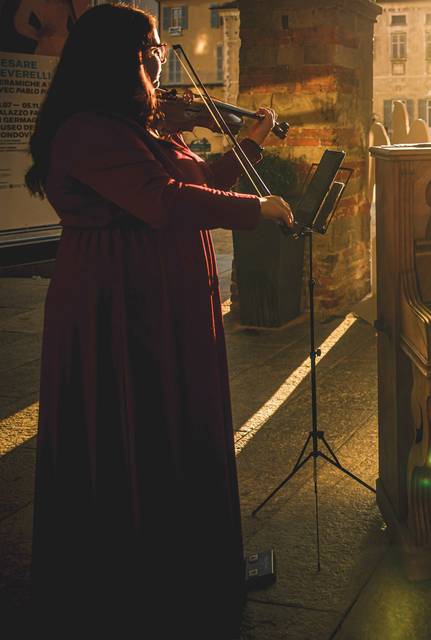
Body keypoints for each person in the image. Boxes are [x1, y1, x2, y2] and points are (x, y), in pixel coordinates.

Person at [25, 4, 293, 637]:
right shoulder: (86, 129)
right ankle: (139, 574)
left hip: (163, 290)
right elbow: (161, 199)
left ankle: (189, 560)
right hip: (118, 298)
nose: (158, 55)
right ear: (109, 57)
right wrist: (257, 210)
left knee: (178, 409)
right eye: (146, 45)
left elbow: (198, 178)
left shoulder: (139, 126)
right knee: (137, 410)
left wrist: (248, 142)